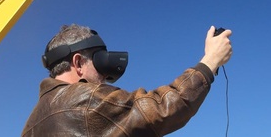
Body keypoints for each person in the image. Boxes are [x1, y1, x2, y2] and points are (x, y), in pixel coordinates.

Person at [21, 24, 233, 137]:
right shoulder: (83, 100)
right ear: (77, 63)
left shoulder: (31, 125)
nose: (104, 77)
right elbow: (162, 109)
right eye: (99, 63)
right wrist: (210, 61)